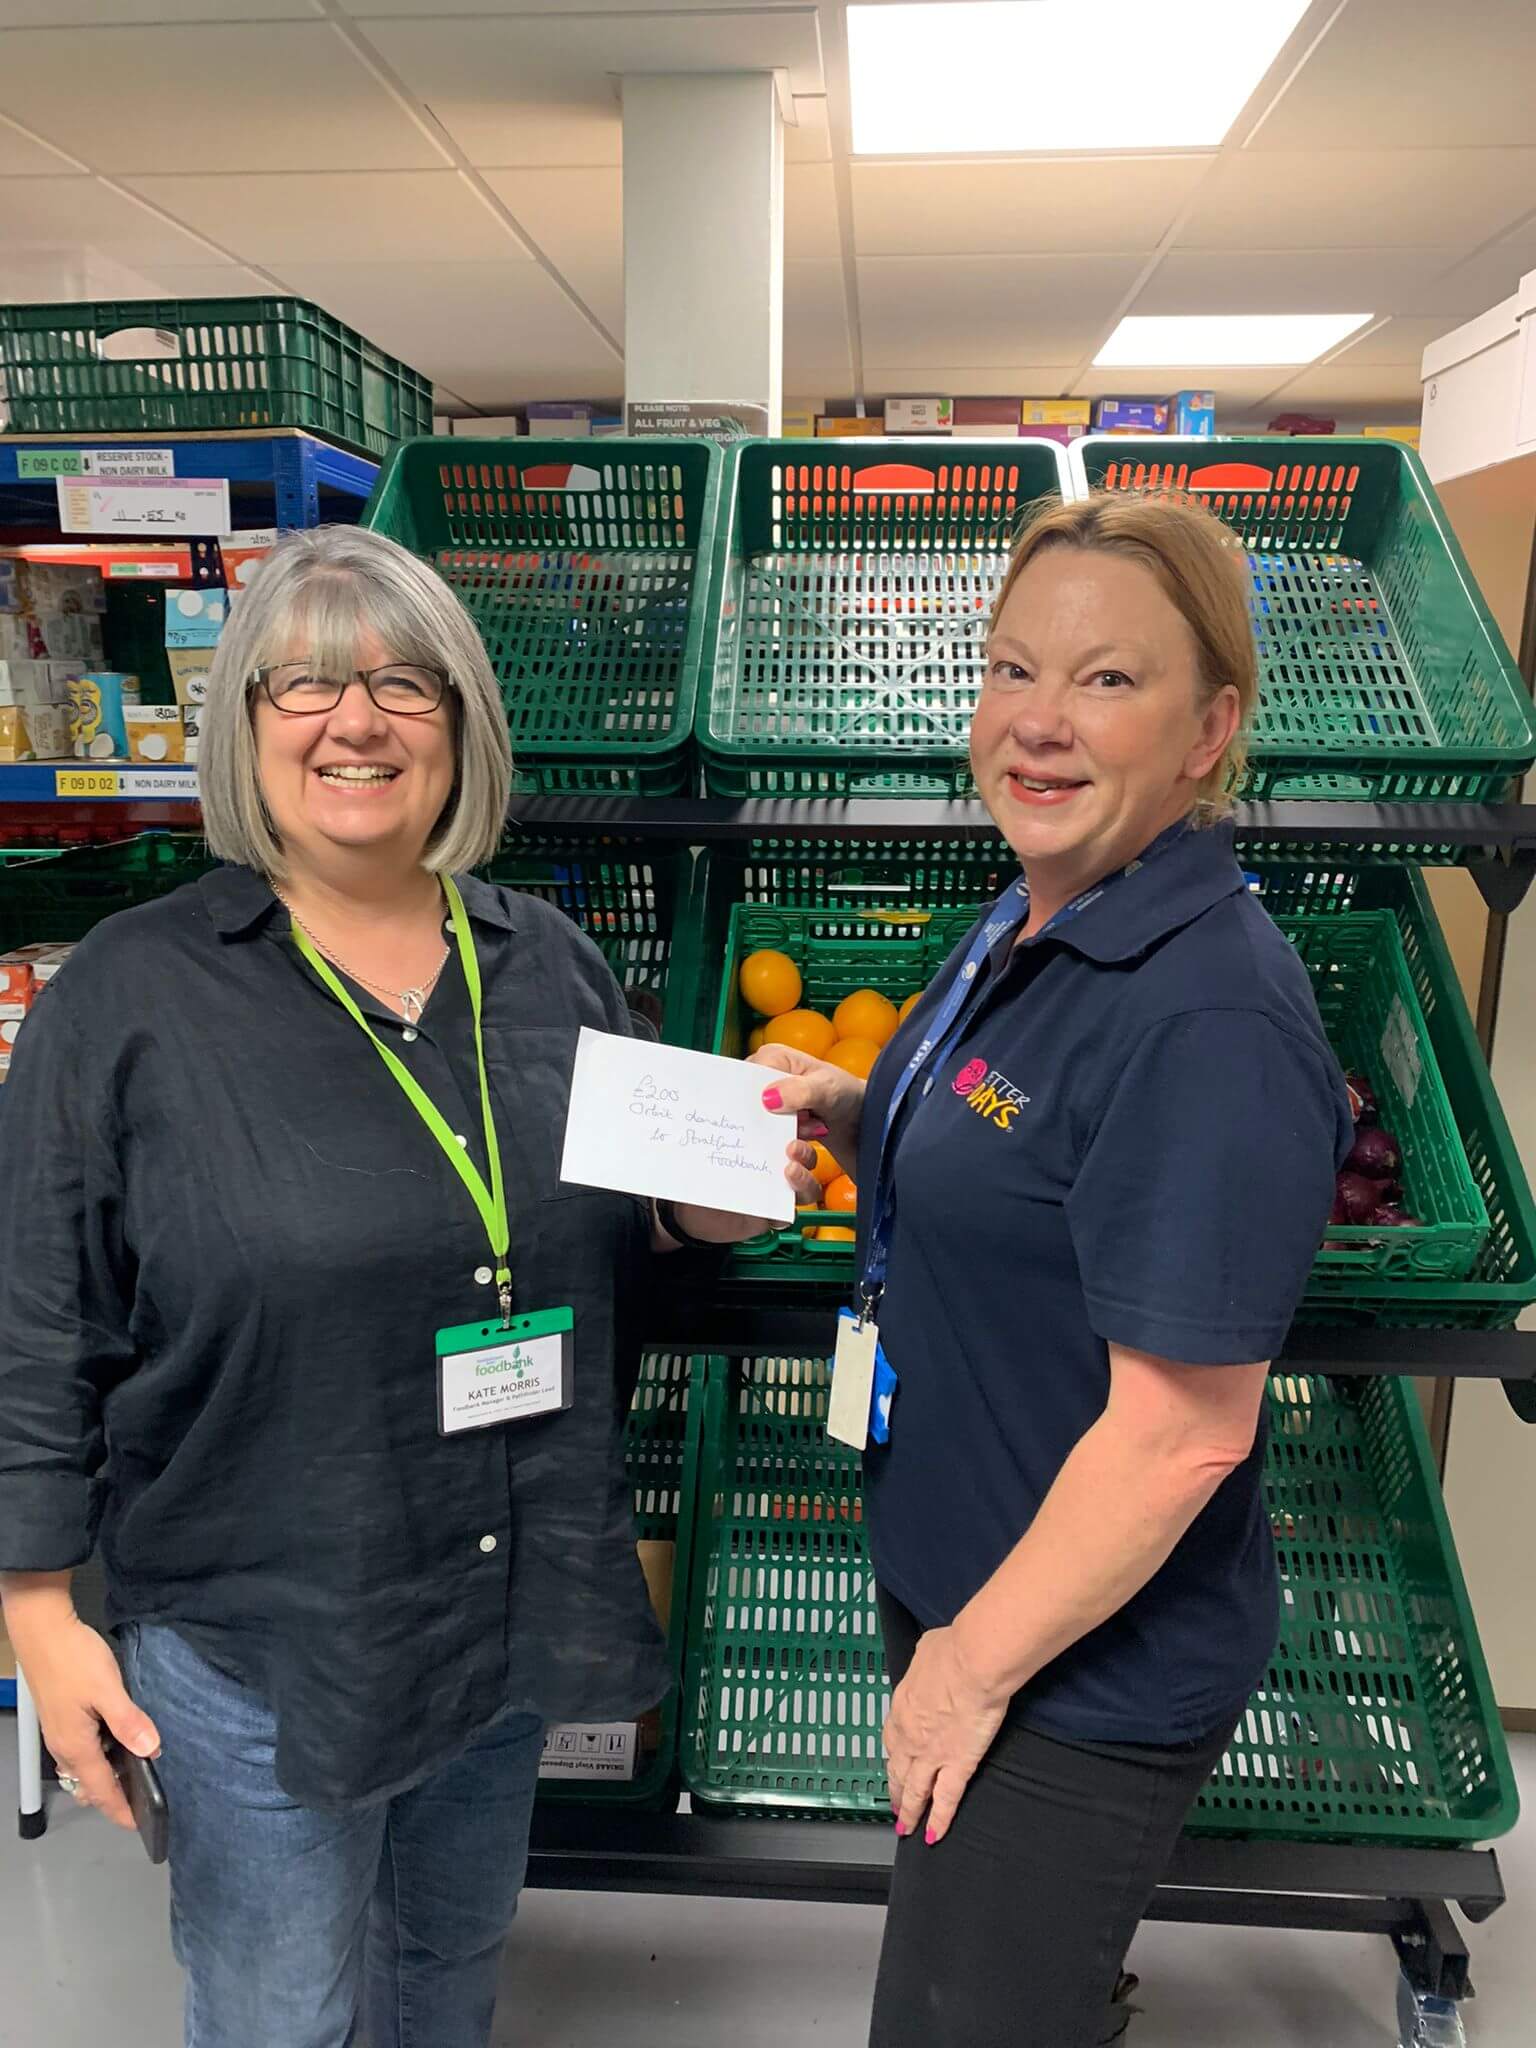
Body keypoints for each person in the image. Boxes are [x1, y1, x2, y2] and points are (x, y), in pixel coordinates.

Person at [0, 525, 767, 2048]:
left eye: (405, 684)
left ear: (463, 725)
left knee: (447, 1967)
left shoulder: (545, 963)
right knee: (283, 2005)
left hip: (491, 1595)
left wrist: (710, 1203)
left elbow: (601, 1233)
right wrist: (36, 1610)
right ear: (243, 727)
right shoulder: (129, 999)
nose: (357, 722)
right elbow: (38, 1322)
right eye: (304, 686)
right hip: (259, 1629)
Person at [762, 491, 1353, 2048]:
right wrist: (858, 1105)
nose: (1039, 723)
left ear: (1210, 728)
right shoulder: (1041, 909)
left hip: (1070, 1665)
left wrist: (966, 1668)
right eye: (1013, 670)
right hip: (979, 1587)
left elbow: (1186, 1433)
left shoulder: (1210, 1015)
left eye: (1107, 681)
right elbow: (1003, 1126)